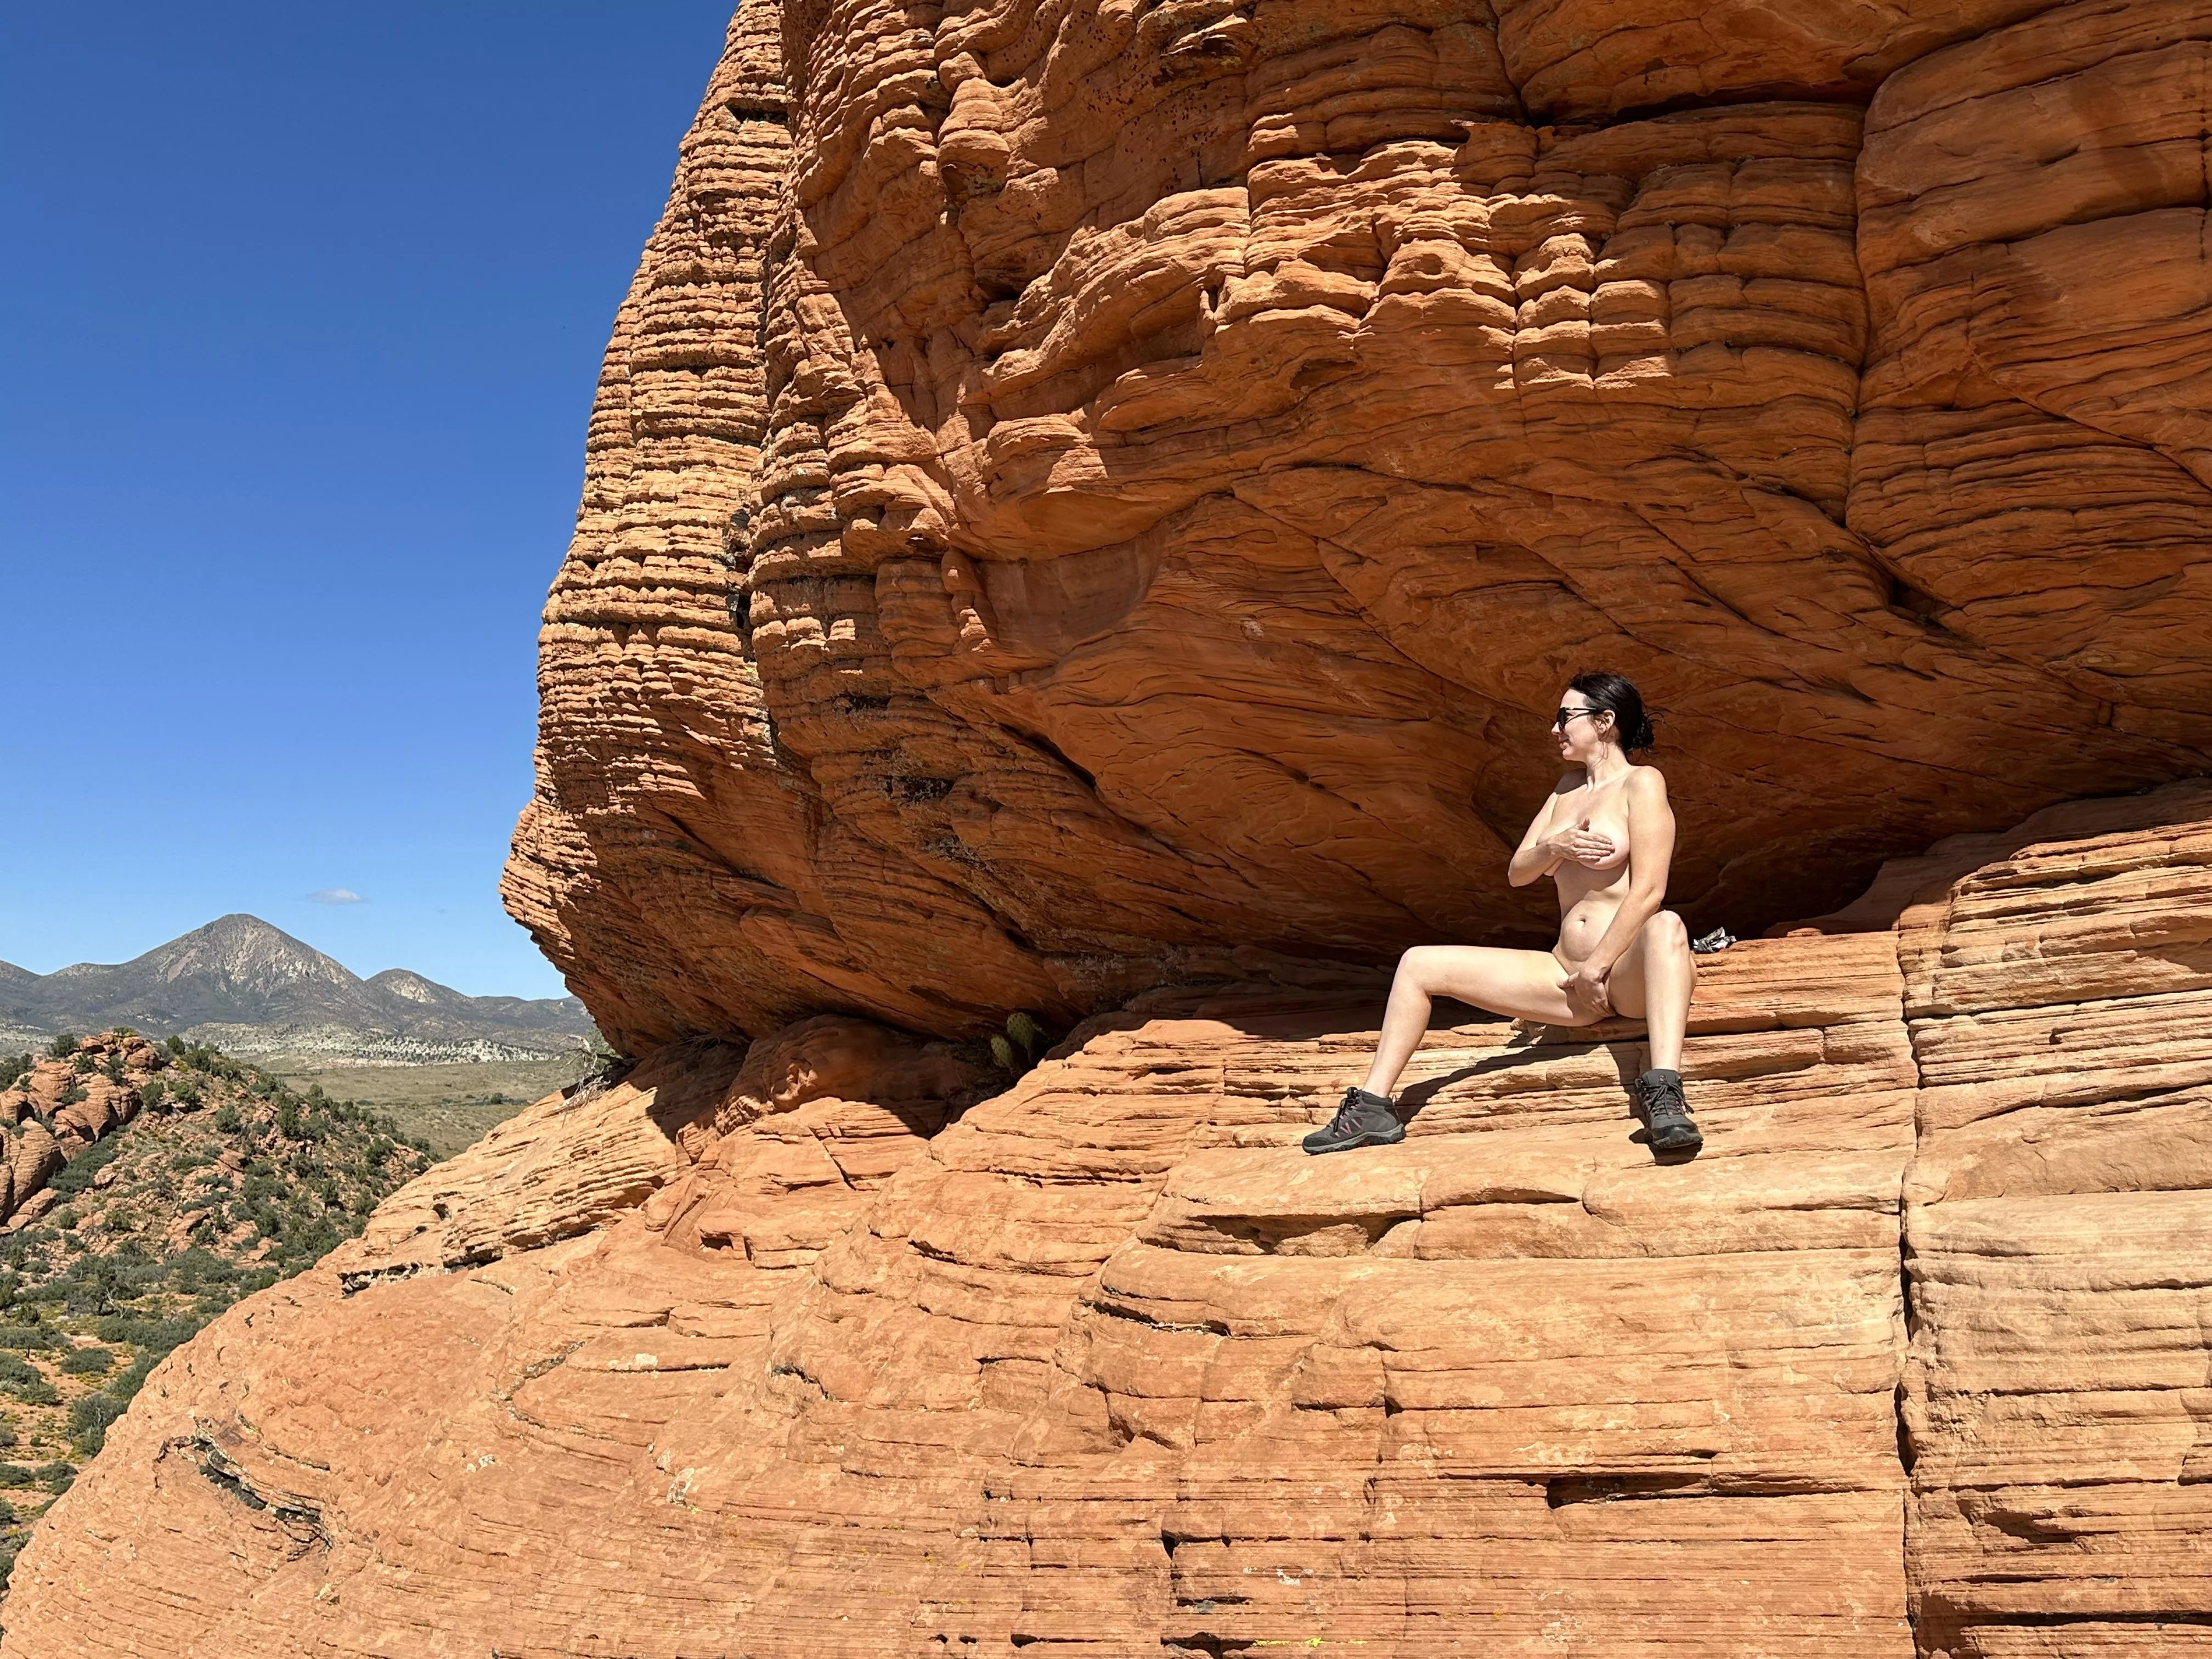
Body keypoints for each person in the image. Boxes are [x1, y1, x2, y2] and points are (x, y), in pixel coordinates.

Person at [1304, 672, 1702, 1156]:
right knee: (1417, 963)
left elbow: (1650, 891)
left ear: (1604, 721)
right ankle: (1372, 1107)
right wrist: (1556, 845)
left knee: (1667, 926)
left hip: (1622, 974)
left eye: (1564, 718)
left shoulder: (1642, 784)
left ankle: (1664, 1095)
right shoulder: (1565, 791)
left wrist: (1597, 968)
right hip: (1565, 975)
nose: (1555, 731)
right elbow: (1518, 872)